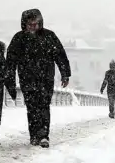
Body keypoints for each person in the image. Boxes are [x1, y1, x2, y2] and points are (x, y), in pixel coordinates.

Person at [6, 9, 71, 148]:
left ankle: (43, 135)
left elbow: (60, 55)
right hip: (27, 79)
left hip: (45, 78)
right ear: (25, 24)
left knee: (43, 106)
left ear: (40, 23)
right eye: (30, 24)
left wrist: (65, 73)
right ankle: (34, 135)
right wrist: (9, 80)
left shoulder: (49, 36)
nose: (33, 27)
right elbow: (10, 62)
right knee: (32, 107)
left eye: (35, 24)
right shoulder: (19, 39)